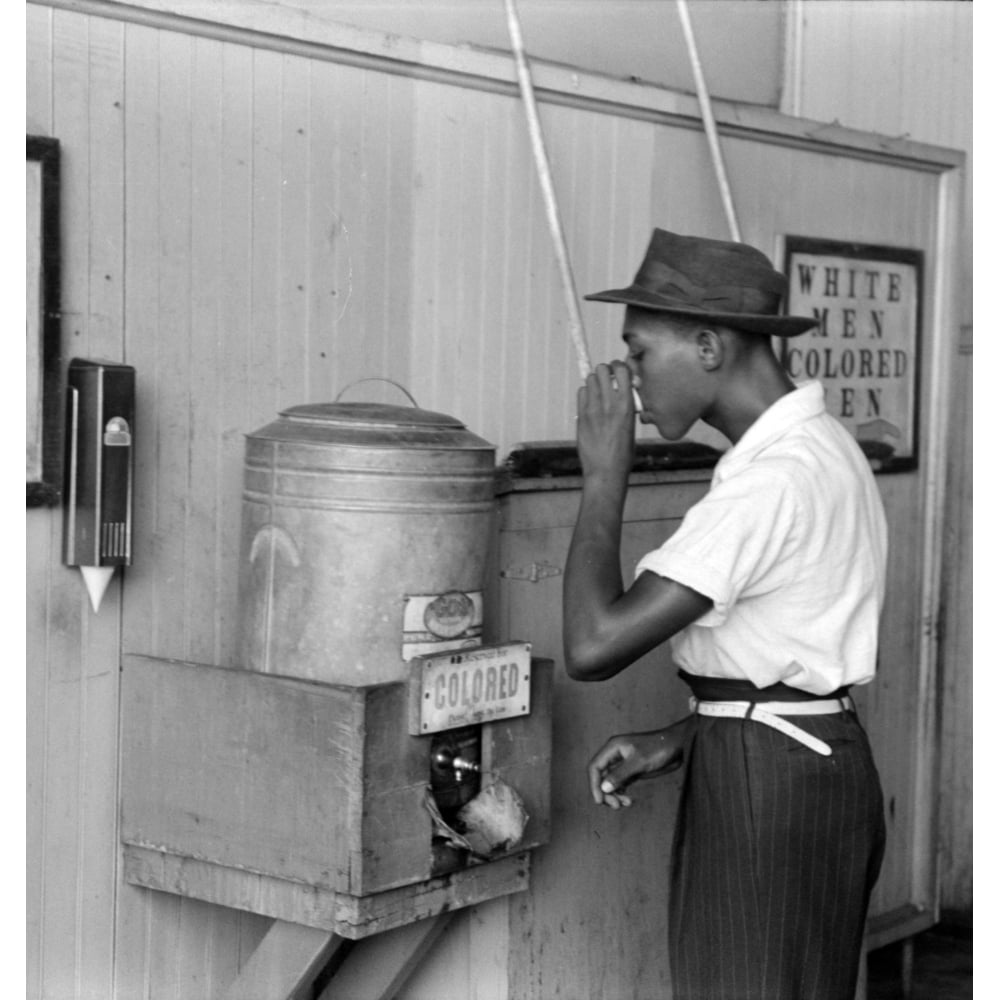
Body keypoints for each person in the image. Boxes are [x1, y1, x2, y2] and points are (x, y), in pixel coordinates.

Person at [563, 229, 887, 1000]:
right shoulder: (819, 447)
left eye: (639, 352)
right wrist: (686, 738)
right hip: (801, 756)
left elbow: (592, 644)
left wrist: (604, 476)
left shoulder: (773, 481)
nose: (630, 379)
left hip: (769, 784)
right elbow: (792, 657)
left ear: (708, 346)